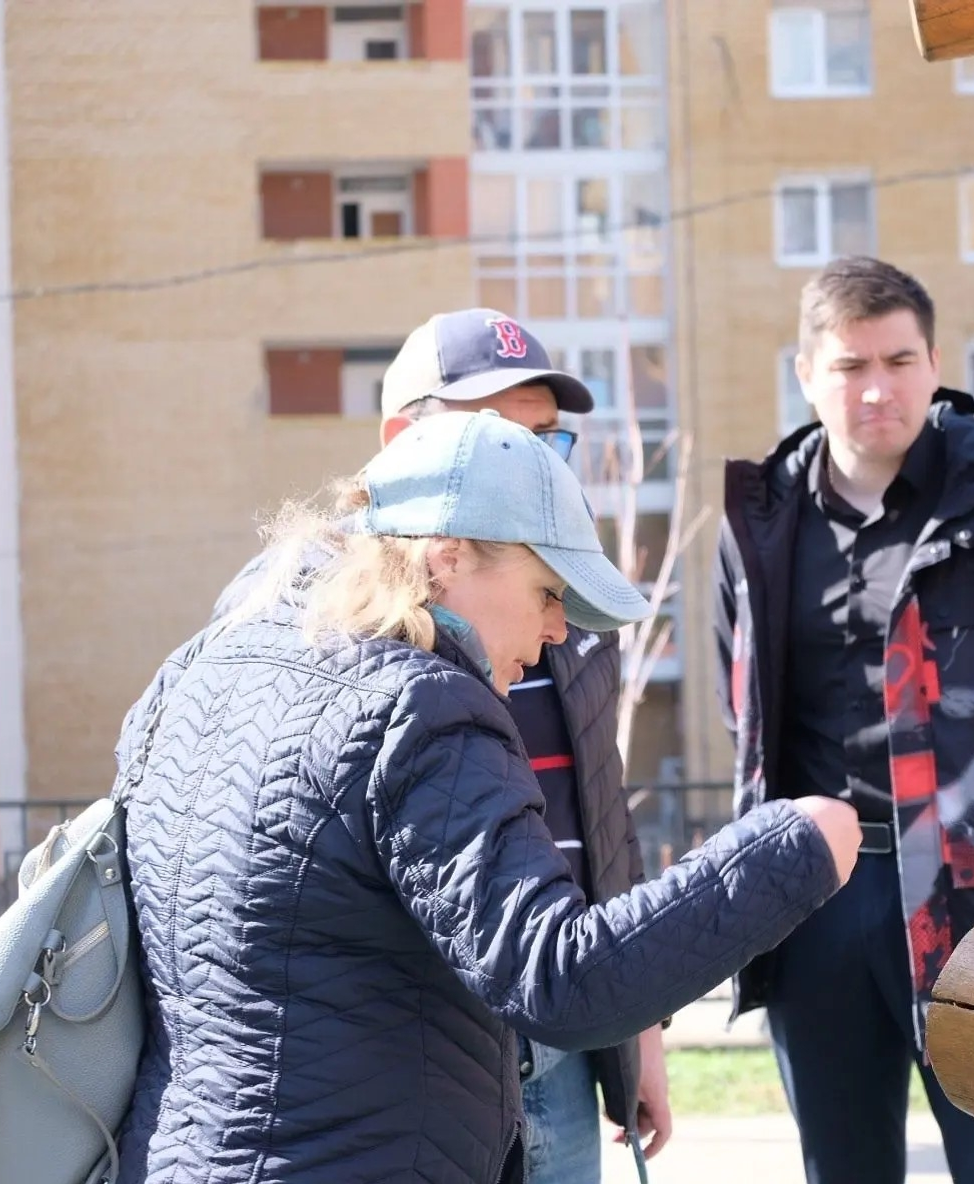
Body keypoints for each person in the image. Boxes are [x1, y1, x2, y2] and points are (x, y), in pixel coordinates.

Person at [115, 409, 862, 1184]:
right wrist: (793, 848)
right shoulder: (417, 709)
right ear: (448, 557)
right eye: (547, 591)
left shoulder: (202, 672)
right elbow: (561, 978)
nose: (558, 630)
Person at [712, 256, 974, 1184]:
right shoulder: (761, 527)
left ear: (935, 364)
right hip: (815, 896)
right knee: (841, 1168)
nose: (878, 389)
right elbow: (741, 708)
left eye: (900, 361)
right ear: (806, 374)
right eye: (851, 366)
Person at [211, 308, 668, 1182]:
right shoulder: (307, 607)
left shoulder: (570, 606)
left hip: (560, 1032)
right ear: (400, 440)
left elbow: (603, 815)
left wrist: (639, 1031)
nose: (532, 462)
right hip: (412, 1047)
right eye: (495, 433)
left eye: (547, 438)